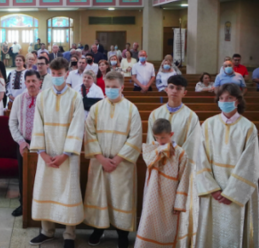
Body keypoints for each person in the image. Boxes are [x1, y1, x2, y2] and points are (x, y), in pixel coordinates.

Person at [27, 58, 84, 248]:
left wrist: (65, 154)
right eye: (54, 74)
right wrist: (42, 153)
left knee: (69, 192)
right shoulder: (43, 97)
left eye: (60, 74)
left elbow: (77, 127)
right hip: (47, 154)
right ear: (50, 74)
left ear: (67, 73)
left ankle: (69, 234)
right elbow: (38, 125)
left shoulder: (76, 97)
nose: (57, 77)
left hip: (67, 156)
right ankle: (47, 231)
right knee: (46, 189)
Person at [196, 83, 259, 247]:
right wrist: (213, 188)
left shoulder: (248, 128)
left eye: (229, 98)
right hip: (213, 189)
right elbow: (200, 157)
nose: (225, 101)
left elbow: (250, 164)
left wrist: (231, 192)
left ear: (237, 101)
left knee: (233, 232)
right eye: (222, 98)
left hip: (236, 192)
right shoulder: (208, 125)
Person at [84, 71, 142, 248]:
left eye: (114, 87)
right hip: (99, 163)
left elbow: (135, 137)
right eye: (107, 87)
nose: (110, 90)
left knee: (121, 198)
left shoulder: (131, 109)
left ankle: (122, 234)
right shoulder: (96, 108)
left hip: (121, 165)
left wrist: (116, 160)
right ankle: (98, 229)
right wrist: (101, 158)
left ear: (122, 87)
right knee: (98, 196)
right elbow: (89, 133)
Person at [146, 75, 202, 247]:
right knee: (156, 210)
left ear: (184, 92)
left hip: (180, 173)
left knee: (176, 212)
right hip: (158, 171)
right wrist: (161, 157)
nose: (174, 91)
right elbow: (150, 145)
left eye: (178, 88)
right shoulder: (155, 114)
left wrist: (174, 161)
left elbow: (192, 146)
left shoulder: (191, 117)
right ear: (166, 89)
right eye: (171, 87)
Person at [136, 118, 192, 247]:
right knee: (148, 221)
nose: (160, 141)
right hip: (152, 192)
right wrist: (161, 149)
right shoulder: (153, 147)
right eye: (157, 138)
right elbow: (148, 161)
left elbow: (184, 178)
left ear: (171, 134)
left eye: (163, 138)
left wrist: (179, 203)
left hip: (170, 196)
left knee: (168, 224)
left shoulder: (181, 153)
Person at [8, 70, 42, 217]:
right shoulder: (19, 99)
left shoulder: (46, 99)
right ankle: (24, 204)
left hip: (42, 145)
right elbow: (12, 123)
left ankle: (40, 206)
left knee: (40, 175)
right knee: (23, 175)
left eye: (33, 81)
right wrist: (21, 141)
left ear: (40, 82)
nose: (31, 84)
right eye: (28, 81)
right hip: (24, 144)